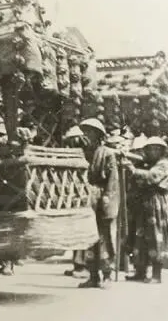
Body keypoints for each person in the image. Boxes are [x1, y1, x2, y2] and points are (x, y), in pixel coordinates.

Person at [123, 136, 168, 284]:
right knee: (139, 237)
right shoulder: (144, 163)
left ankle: (156, 274)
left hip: (155, 203)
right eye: (150, 149)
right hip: (141, 203)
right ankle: (140, 271)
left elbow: (152, 177)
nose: (153, 152)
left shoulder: (164, 164)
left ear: (162, 151)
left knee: (155, 237)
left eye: (157, 149)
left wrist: (134, 170)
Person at [78, 118, 119, 288]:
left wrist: (108, 196)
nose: (87, 135)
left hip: (102, 195)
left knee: (104, 235)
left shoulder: (107, 153)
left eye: (90, 132)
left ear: (98, 135)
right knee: (89, 235)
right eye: (85, 131)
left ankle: (107, 274)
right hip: (89, 196)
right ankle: (93, 275)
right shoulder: (84, 152)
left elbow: (113, 178)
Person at [61, 125, 89, 278]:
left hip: (84, 194)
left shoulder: (87, 152)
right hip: (75, 193)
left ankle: (82, 266)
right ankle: (77, 264)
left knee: (83, 231)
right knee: (76, 230)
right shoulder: (71, 152)